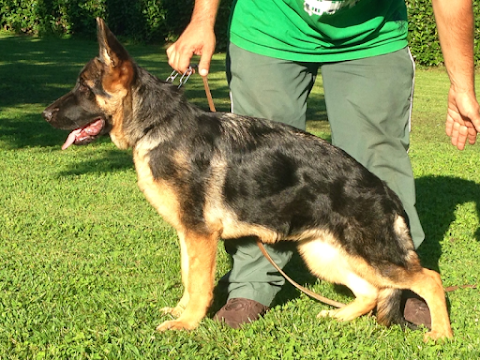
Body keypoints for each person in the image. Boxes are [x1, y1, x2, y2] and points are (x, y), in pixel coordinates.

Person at [166, 0, 480, 329]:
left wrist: (461, 86)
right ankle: (252, 284)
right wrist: (202, 19)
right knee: (257, 173)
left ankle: (400, 282)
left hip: (371, 33)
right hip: (270, 25)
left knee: (378, 160)